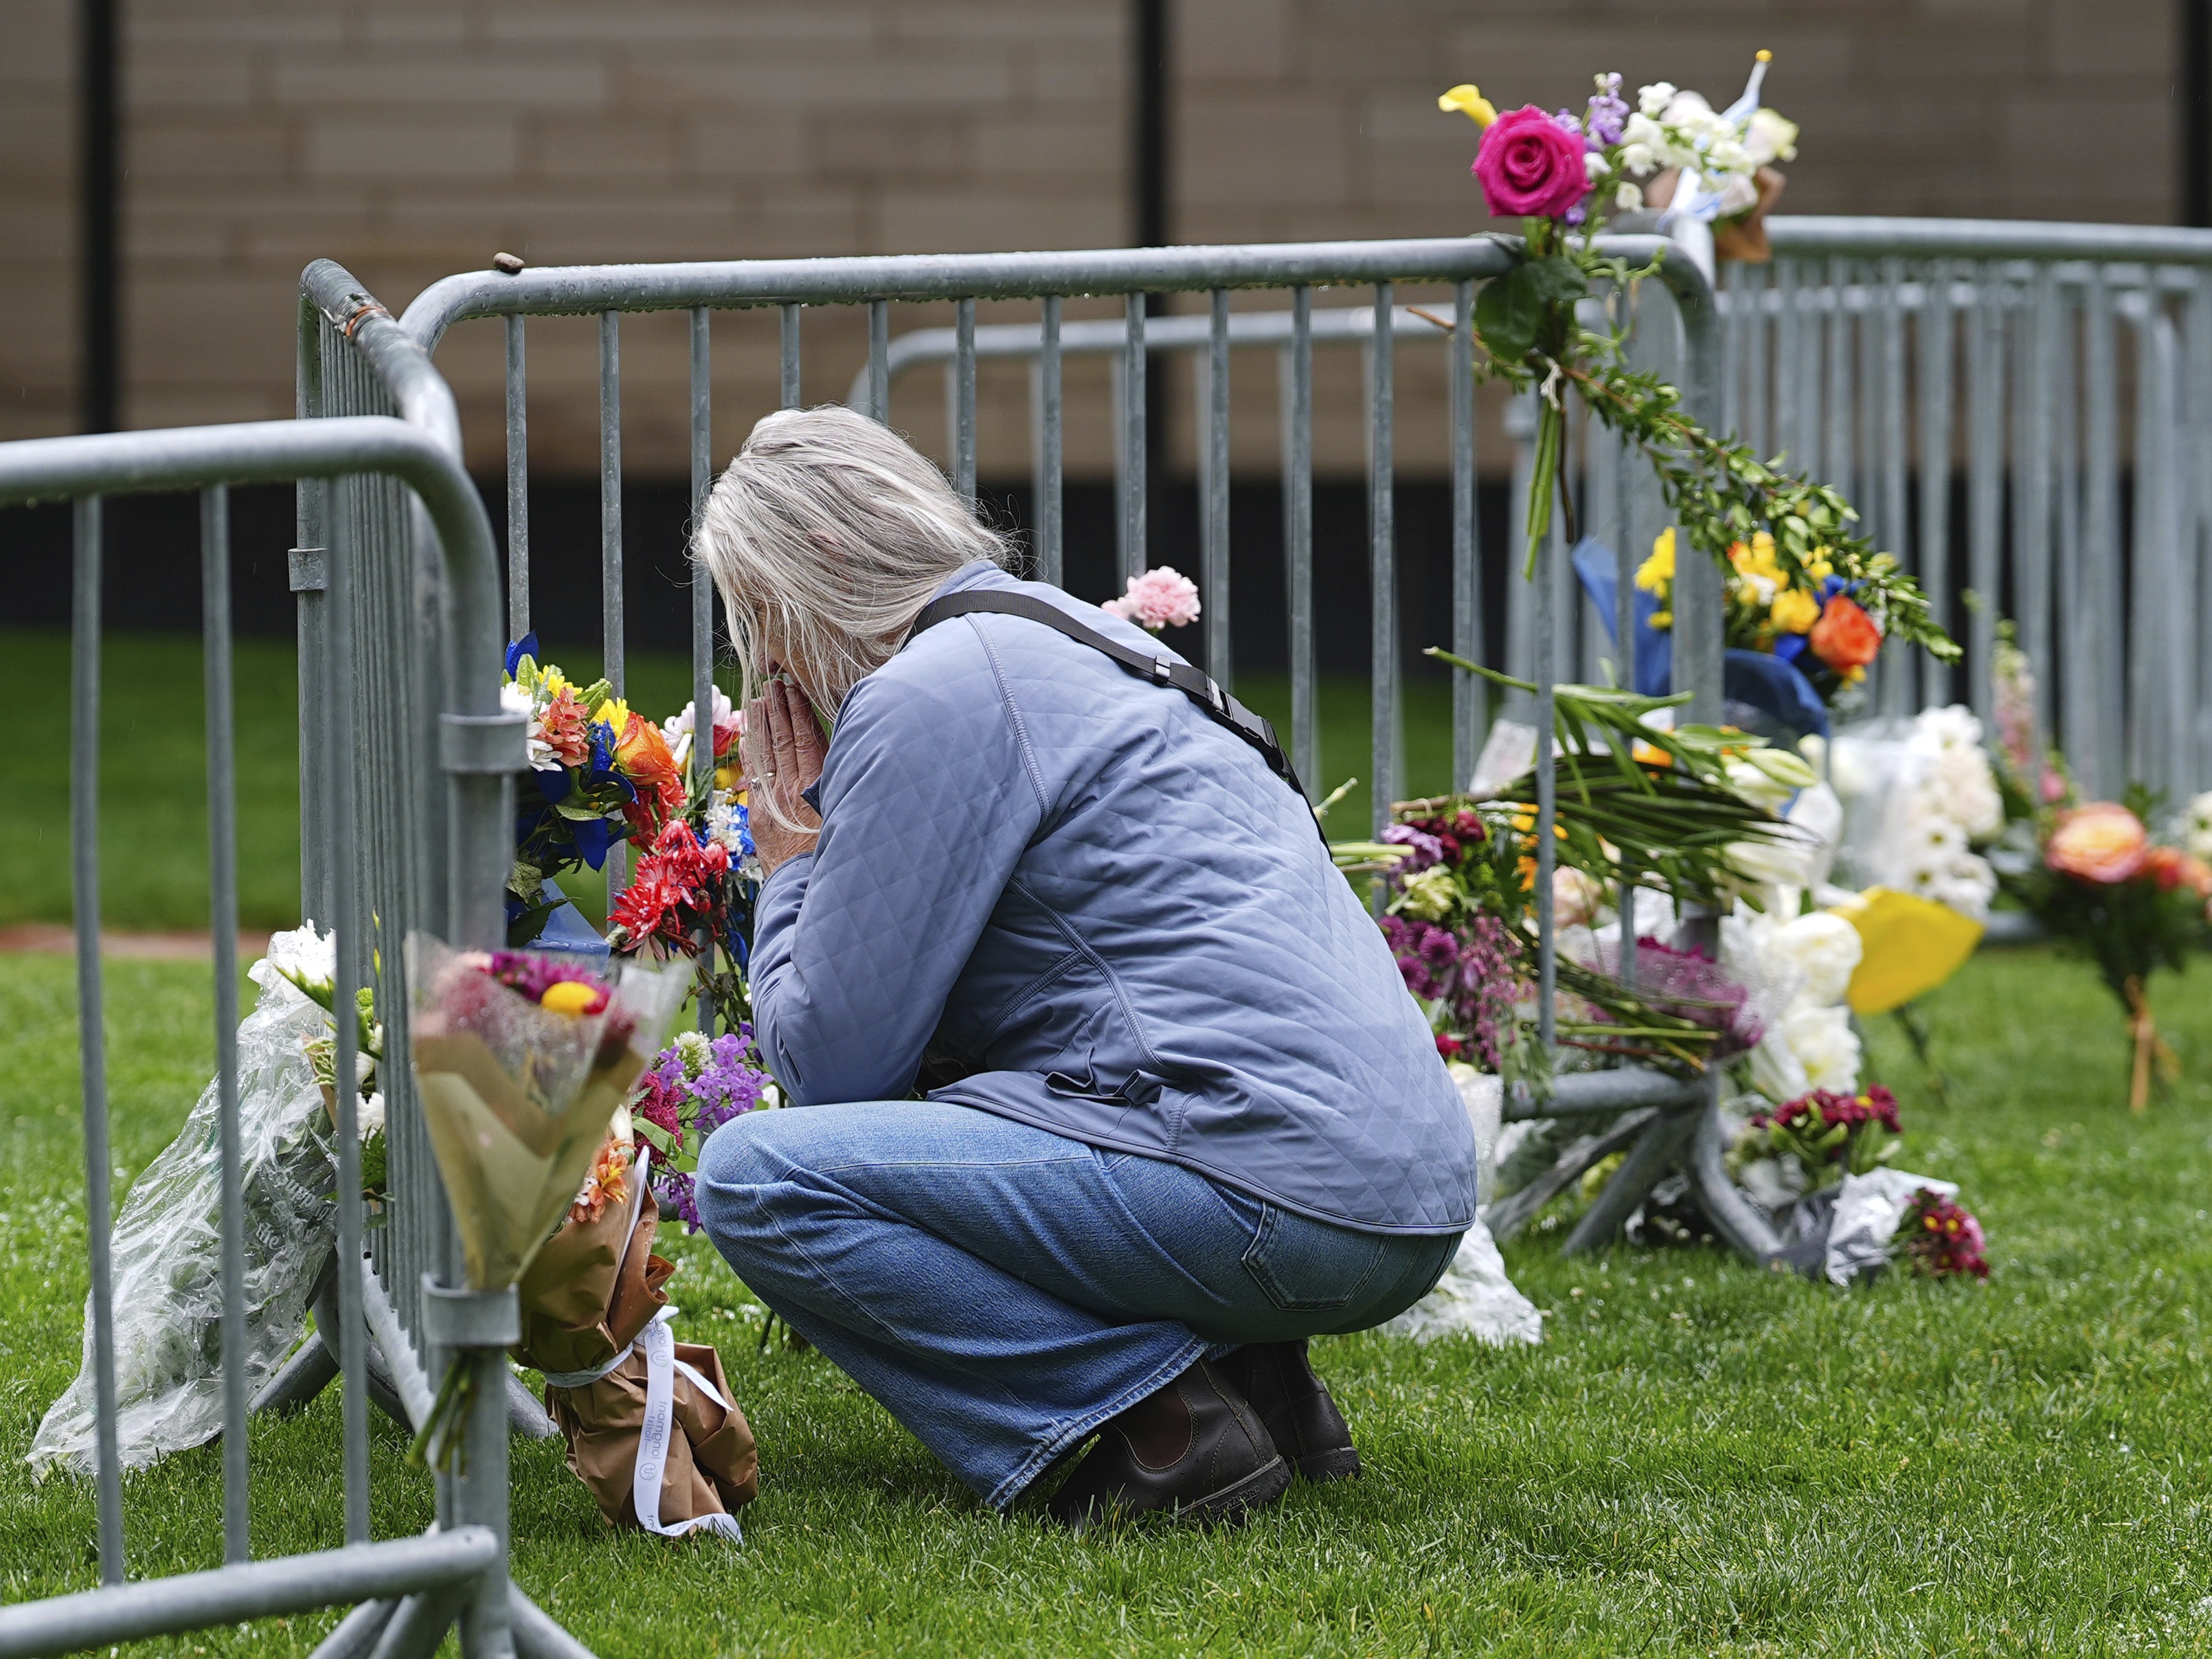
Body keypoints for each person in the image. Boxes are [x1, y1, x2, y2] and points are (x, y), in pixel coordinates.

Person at [691, 405, 1476, 1528]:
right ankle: (1260, 1380)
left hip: (1277, 1200)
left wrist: (793, 863)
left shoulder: (931, 690)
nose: (768, 667)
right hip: (1408, 1195)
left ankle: (1165, 1428)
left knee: (761, 1178)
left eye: (757, 624)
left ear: (813, 568)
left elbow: (831, 1071)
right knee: (1018, 1090)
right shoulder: (1080, 641)